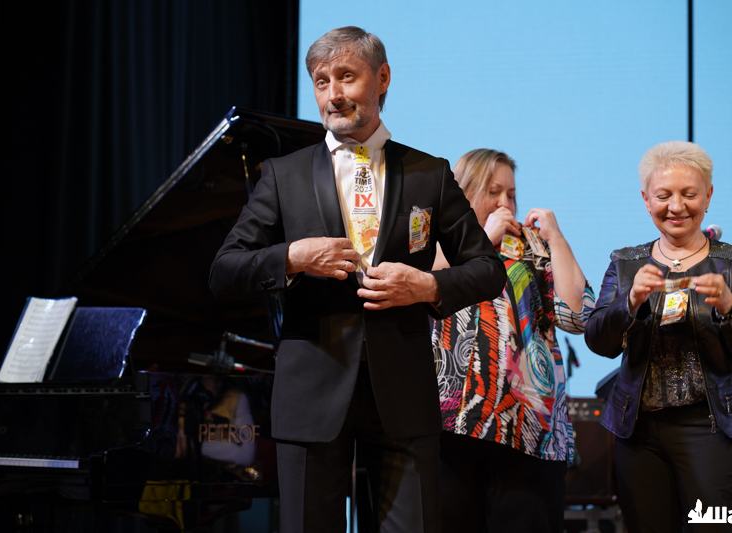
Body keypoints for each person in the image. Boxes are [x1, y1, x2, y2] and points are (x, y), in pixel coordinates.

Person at [208, 26, 506, 533]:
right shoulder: (283, 174)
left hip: (403, 395)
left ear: (382, 78)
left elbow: (487, 270)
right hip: (311, 391)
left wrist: (427, 286)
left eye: (347, 77)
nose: (333, 94)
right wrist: (292, 257)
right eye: (321, 81)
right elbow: (224, 271)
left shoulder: (429, 173)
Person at [585, 141, 732, 532]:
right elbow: (599, 342)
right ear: (645, 199)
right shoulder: (625, 263)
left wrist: (730, 306)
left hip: (714, 428)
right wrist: (629, 301)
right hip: (638, 432)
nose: (676, 206)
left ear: (708, 195)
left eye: (689, 194)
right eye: (663, 196)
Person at [431, 148, 594, 532]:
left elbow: (579, 316)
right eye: (493, 192)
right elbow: (431, 285)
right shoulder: (438, 241)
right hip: (454, 424)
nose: (505, 203)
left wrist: (556, 240)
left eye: (511, 194)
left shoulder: (531, 247)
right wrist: (482, 239)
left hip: (528, 429)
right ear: (464, 192)